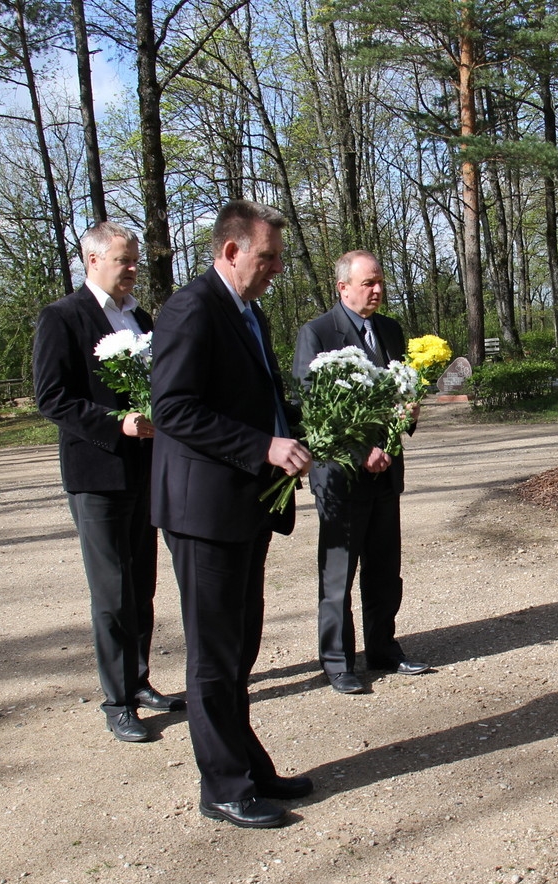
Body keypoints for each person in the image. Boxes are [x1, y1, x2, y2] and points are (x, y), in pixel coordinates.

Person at [149, 201, 314, 829]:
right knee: (215, 653)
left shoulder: (249, 310)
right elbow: (174, 409)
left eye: (277, 258)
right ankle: (222, 786)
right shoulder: (193, 309)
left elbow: (260, 396)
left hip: (244, 502)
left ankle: (246, 763)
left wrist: (298, 434)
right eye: (267, 257)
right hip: (203, 510)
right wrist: (263, 446)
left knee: (241, 642)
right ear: (231, 252)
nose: (275, 269)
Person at [33, 221, 184, 743]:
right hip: (97, 473)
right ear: (92, 260)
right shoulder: (62, 317)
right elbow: (52, 397)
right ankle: (117, 700)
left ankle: (137, 680)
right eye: (126, 261)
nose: (135, 270)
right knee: (112, 591)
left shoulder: (138, 317)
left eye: (137, 260)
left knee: (142, 582)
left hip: (144, 469)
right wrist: (113, 423)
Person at [293, 250, 431, 695]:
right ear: (343, 287)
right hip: (342, 475)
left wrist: (408, 412)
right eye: (368, 283)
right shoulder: (317, 333)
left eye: (380, 282)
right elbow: (312, 408)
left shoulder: (390, 330)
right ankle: (337, 661)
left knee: (384, 568)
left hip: (385, 473)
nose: (377, 290)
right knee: (338, 573)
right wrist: (360, 451)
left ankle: (383, 648)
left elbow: (401, 388)